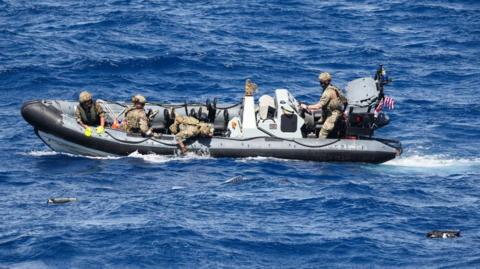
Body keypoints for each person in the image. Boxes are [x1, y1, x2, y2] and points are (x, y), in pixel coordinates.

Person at [301, 72, 347, 138]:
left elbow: (318, 106)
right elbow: (345, 101)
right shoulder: (333, 88)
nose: (320, 84)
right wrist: (343, 111)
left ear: (324, 82)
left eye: (321, 82)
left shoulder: (327, 93)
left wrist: (307, 106)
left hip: (332, 115)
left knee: (323, 133)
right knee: (318, 123)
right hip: (329, 111)